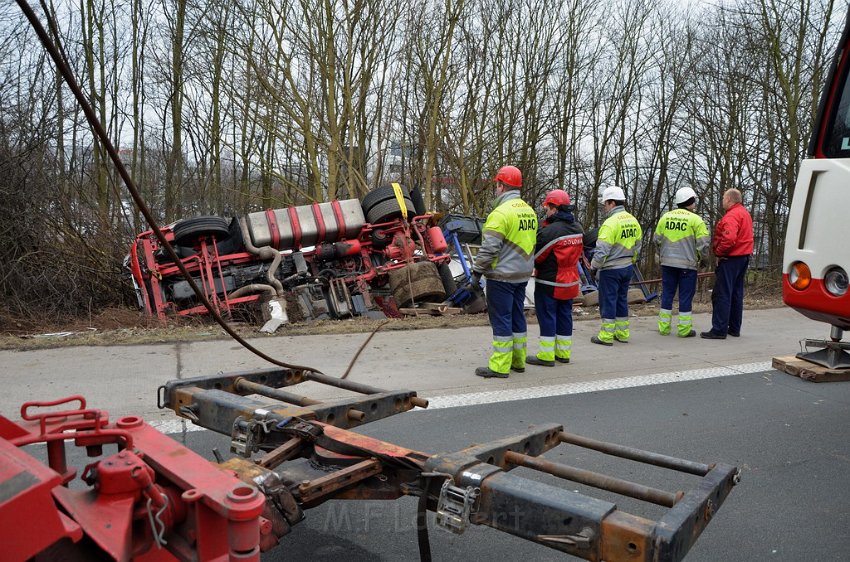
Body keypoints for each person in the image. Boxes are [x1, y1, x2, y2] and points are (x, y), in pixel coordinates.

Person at [470, 165, 538, 378]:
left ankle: (500, 366)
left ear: (501, 185)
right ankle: (518, 361)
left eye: (496, 185)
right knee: (518, 316)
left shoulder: (500, 213)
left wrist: (476, 272)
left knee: (501, 318)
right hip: (522, 274)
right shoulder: (530, 211)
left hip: (502, 275)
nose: (496, 189)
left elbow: (490, 248)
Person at [527, 189, 583, 367]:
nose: (547, 211)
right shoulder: (578, 228)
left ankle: (546, 356)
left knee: (547, 316)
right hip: (571, 280)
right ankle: (563, 353)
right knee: (565, 314)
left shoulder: (550, 231)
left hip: (550, 281)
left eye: (548, 207)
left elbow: (537, 257)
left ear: (555, 208)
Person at [654, 187, 710, 338]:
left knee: (667, 294)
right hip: (687, 266)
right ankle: (684, 330)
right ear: (690, 201)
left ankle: (664, 328)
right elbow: (704, 245)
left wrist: (660, 256)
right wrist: (704, 260)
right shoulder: (696, 220)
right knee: (685, 296)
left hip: (667, 264)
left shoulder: (665, 218)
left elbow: (657, 240)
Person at [590, 185, 642, 346]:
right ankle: (622, 333)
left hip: (611, 269)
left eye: (605, 203)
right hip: (627, 267)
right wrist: (631, 261)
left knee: (608, 301)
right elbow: (638, 245)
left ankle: (606, 335)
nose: (604, 207)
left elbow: (602, 250)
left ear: (612, 203)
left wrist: (594, 267)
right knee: (621, 300)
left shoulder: (610, 223)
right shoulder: (633, 220)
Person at [701, 188, 753, 339]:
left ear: (729, 199)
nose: (722, 200)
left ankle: (719, 329)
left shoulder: (732, 216)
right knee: (736, 293)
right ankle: (734, 327)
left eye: (723, 198)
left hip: (730, 258)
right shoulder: (744, 213)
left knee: (722, 294)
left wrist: (719, 253)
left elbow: (729, 239)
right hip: (743, 257)